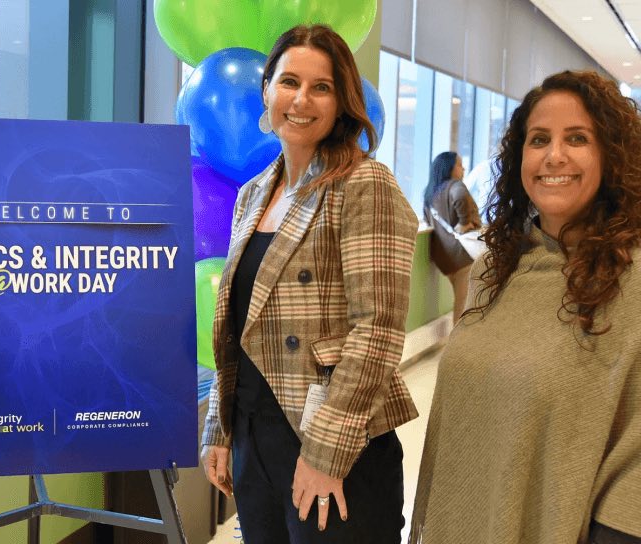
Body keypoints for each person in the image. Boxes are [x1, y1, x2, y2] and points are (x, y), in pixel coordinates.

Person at [199, 24, 419, 543]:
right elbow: (235, 328)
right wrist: (222, 430)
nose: (301, 99)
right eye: (289, 81)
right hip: (255, 435)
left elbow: (378, 331)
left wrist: (326, 453)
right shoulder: (252, 195)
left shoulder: (364, 183)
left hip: (334, 439)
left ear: (342, 102)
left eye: (321, 87)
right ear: (266, 92)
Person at [411, 70, 641, 543]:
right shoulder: (498, 269)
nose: (554, 155)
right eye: (539, 139)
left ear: (612, 155)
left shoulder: (631, 276)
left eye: (577, 138)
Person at [423, 151, 481, 320]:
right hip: (463, 255)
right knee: (463, 306)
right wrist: (464, 222)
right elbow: (460, 196)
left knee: (461, 300)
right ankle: (459, 345)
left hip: (444, 259)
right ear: (449, 167)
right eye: (459, 164)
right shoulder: (456, 186)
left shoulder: (430, 193)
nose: (463, 168)